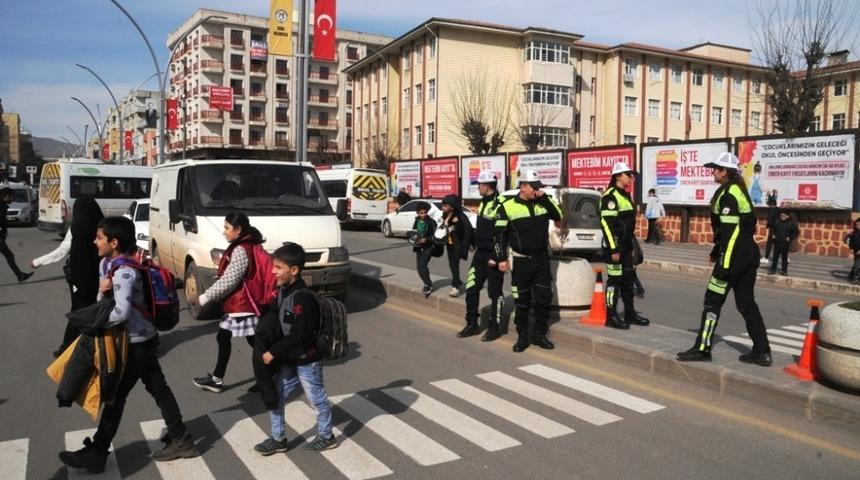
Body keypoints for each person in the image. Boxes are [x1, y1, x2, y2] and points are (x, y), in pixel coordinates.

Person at [59, 217, 196, 473]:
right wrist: (101, 290)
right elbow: (105, 301)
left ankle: (98, 453)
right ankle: (181, 437)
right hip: (141, 340)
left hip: (135, 344)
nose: (94, 241)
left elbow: (120, 312)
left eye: (99, 238)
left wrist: (97, 324)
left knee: (115, 398)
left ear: (114, 242)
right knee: (158, 388)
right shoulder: (107, 264)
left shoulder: (125, 272)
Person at [677, 152, 772, 366]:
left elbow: (731, 234)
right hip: (747, 253)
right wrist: (714, 251)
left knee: (712, 300)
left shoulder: (729, 194)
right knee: (746, 303)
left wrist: (724, 265)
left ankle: (702, 349)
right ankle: (762, 351)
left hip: (734, 255)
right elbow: (734, 231)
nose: (713, 172)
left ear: (724, 172)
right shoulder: (739, 191)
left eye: (715, 169)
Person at [253, 242, 338, 455]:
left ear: (294, 270)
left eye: (278, 268)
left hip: (307, 361)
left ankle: (327, 436)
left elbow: (300, 334)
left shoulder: (303, 298)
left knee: (316, 399)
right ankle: (278, 438)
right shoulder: (282, 291)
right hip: (290, 359)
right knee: (276, 395)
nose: (273, 272)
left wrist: (272, 352)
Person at [193, 212, 265, 394]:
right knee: (249, 341)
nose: (224, 232)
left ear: (238, 230)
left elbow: (230, 280)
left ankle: (268, 376)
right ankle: (219, 379)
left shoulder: (241, 249)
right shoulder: (243, 245)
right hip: (240, 304)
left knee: (253, 342)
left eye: (227, 228)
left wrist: (206, 296)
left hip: (242, 305)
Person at [494, 170, 563, 352]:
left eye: (539, 187)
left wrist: (545, 199)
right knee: (522, 301)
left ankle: (539, 335)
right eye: (534, 187)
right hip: (520, 261)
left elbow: (558, 218)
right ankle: (522, 337)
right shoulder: (508, 206)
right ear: (523, 186)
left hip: (541, 259)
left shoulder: (542, 203)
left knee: (544, 298)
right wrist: (501, 258)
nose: (537, 190)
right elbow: (499, 236)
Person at [31, 196, 104, 356]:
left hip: (80, 281)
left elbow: (62, 251)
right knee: (99, 312)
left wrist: (38, 261)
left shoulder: (76, 228)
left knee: (79, 313)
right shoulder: (103, 228)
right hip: (102, 280)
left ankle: (67, 348)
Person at [600, 162, 650, 330]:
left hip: (627, 245)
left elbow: (628, 225)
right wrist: (614, 248)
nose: (631, 177)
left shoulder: (625, 195)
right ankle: (611, 316)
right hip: (614, 246)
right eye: (628, 174)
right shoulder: (610, 196)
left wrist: (634, 245)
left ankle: (630, 313)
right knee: (614, 281)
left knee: (628, 280)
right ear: (618, 176)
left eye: (631, 174)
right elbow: (607, 225)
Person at [461, 171, 507, 341]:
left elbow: (501, 234)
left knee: (495, 293)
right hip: (480, 255)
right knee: (471, 289)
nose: (478, 187)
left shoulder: (500, 203)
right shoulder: (483, 202)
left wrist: (497, 257)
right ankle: (472, 324)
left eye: (479, 185)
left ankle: (495, 328)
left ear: (487, 186)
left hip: (493, 256)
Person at [441, 194, 473, 298]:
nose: (443, 208)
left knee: (454, 264)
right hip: (449, 244)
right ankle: (458, 280)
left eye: (445, 206)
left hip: (458, 245)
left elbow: (468, 230)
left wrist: (468, 244)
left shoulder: (460, 216)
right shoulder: (445, 215)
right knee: (452, 264)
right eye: (443, 205)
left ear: (452, 206)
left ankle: (455, 287)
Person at [0, 187, 33, 283]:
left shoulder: (3, 205)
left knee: (9, 256)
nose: (13, 198)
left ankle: (20, 275)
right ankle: (20, 275)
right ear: (6, 196)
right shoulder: (1, 206)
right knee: (9, 256)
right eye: (12, 196)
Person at [411, 202, 437, 296]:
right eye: (421, 213)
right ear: (417, 213)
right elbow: (413, 232)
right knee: (419, 268)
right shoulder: (416, 221)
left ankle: (428, 285)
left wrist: (426, 239)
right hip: (418, 247)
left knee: (423, 265)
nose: (423, 215)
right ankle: (427, 283)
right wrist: (413, 239)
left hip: (428, 247)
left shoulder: (432, 222)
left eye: (425, 212)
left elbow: (435, 236)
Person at [769, 210, 799, 276]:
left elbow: (796, 232)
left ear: (787, 216)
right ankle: (772, 270)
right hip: (777, 242)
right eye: (781, 216)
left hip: (785, 243)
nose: (782, 217)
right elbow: (772, 228)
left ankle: (784, 271)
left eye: (783, 216)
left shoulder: (790, 223)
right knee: (775, 258)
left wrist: (790, 238)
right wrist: (773, 234)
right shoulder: (777, 221)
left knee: (784, 258)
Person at [760, 194, 779, 265]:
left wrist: (768, 225)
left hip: (773, 229)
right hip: (780, 230)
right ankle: (785, 258)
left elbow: (770, 220)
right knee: (779, 244)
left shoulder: (772, 210)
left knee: (769, 244)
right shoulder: (779, 209)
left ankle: (766, 258)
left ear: (771, 204)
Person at [846, 218, 860, 284]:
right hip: (856, 252)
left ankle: (856, 278)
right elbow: (851, 241)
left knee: (857, 266)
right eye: (856, 225)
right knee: (857, 265)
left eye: (859, 225)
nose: (857, 226)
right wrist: (851, 248)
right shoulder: (854, 232)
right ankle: (855, 278)